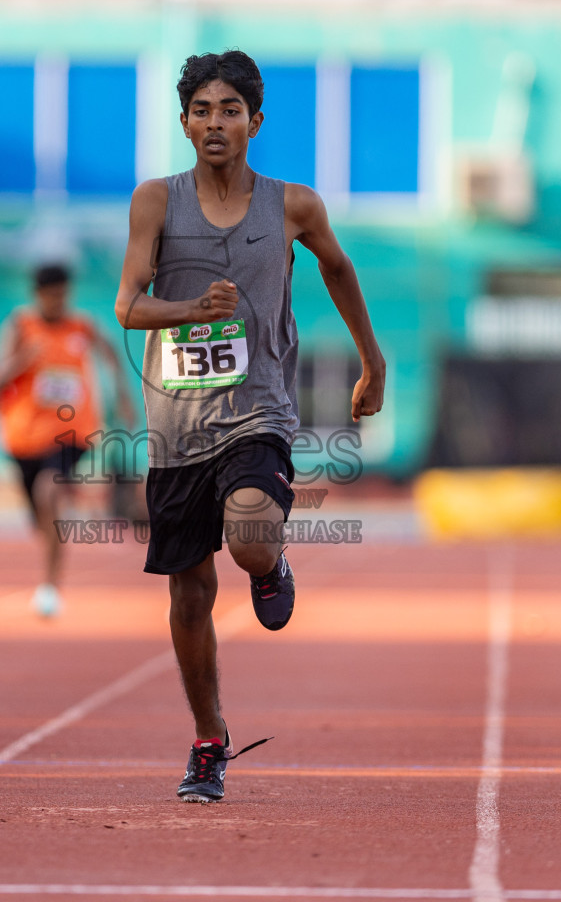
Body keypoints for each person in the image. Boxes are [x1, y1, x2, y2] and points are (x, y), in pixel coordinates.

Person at [115, 50, 386, 802]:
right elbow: (128, 307)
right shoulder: (155, 203)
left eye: (229, 110)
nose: (214, 123)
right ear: (183, 123)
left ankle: (270, 565)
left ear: (255, 122)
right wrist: (189, 311)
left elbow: (337, 268)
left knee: (250, 537)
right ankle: (209, 741)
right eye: (201, 110)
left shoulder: (293, 205)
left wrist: (373, 360)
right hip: (175, 428)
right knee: (189, 595)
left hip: (257, 411)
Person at [0, 264, 132, 618]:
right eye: (52, 296)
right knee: (41, 518)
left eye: (63, 295)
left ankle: (50, 585)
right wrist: (22, 360)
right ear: (38, 295)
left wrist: (123, 394)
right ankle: (52, 533)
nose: (58, 302)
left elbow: (110, 351)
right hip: (24, 437)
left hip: (71, 433)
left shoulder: (81, 326)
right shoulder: (20, 327)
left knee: (48, 490)